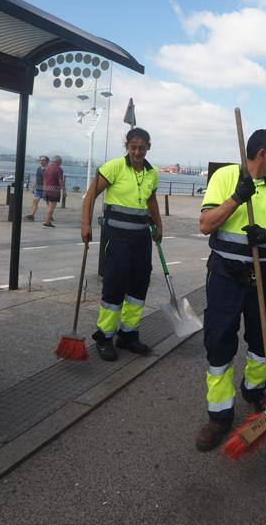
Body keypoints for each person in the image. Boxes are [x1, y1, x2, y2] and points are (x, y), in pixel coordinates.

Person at [194, 129, 266, 452]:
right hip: (225, 275)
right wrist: (238, 197)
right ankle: (219, 415)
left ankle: (254, 390)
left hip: (262, 274)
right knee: (220, 339)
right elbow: (206, 224)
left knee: (263, 337)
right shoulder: (225, 177)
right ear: (262, 154)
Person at [80, 129, 162, 360]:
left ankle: (128, 334)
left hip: (141, 239)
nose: (137, 152)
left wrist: (158, 225)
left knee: (138, 287)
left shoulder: (152, 173)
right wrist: (86, 224)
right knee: (114, 286)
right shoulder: (114, 167)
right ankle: (105, 336)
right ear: (126, 146)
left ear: (148, 147)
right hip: (117, 238)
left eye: (142, 148)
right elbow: (90, 196)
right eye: (133, 147)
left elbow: (151, 200)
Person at [40, 155, 65, 228]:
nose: (61, 163)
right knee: (51, 207)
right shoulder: (59, 169)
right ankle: (46, 223)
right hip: (54, 191)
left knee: (49, 207)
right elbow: (60, 181)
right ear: (58, 161)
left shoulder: (47, 168)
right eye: (61, 162)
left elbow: (44, 179)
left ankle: (47, 221)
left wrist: (44, 188)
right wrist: (64, 190)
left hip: (47, 189)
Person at [24, 155, 49, 221]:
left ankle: (49, 216)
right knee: (35, 201)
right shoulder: (39, 168)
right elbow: (37, 179)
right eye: (40, 160)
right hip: (38, 188)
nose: (41, 161)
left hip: (46, 189)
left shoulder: (49, 169)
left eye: (43, 160)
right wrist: (33, 187)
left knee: (48, 203)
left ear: (47, 161)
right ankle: (32, 215)